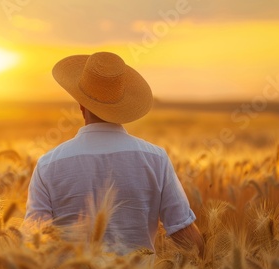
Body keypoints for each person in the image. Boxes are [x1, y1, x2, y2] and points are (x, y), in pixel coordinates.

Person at [24, 51, 204, 257]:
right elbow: (186, 236)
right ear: (123, 106)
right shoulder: (156, 159)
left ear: (81, 106)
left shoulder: (48, 165)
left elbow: (33, 242)